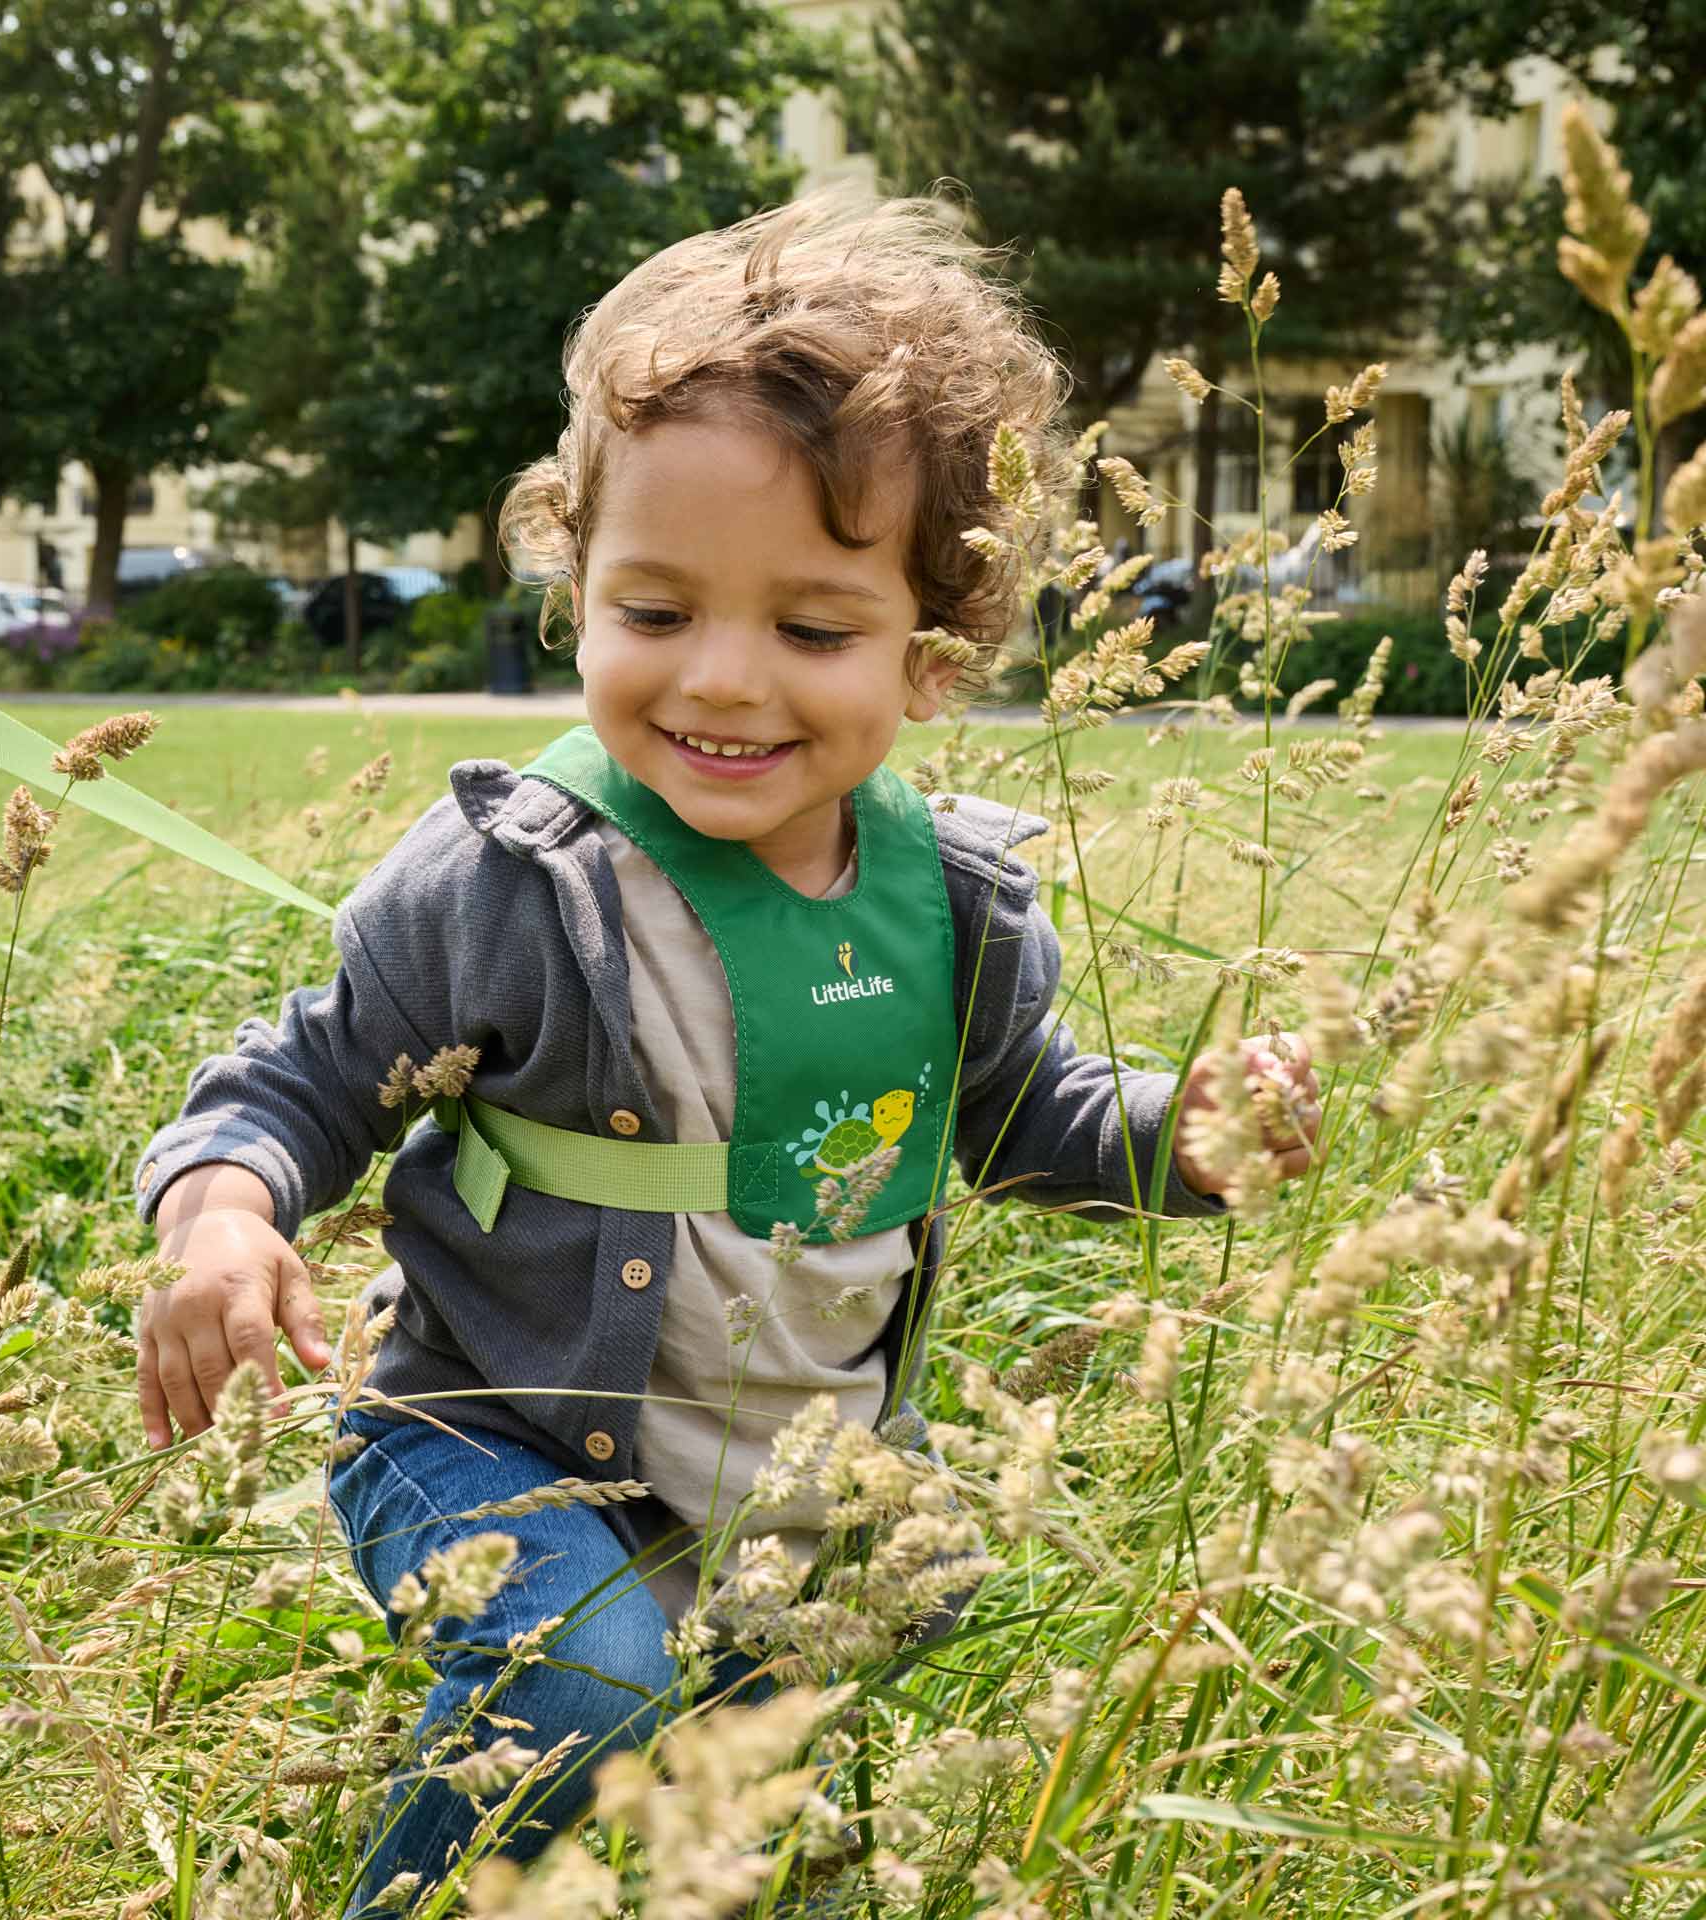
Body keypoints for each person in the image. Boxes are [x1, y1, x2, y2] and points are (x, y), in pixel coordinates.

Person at [130, 190, 1320, 1908]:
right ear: (577, 584)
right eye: (657, 610)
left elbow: (1011, 1120)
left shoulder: (951, 899)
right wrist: (226, 1215)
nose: (725, 682)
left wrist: (1181, 1140)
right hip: (491, 1428)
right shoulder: (513, 873)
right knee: (583, 1686)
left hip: (783, 1474)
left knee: (787, 1732)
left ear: (939, 646)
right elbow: (297, 1074)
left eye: (813, 629)